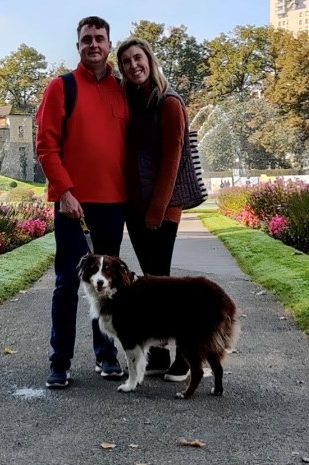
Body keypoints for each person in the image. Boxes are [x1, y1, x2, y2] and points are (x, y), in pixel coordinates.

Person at [36, 15, 129, 389]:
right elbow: (46, 147)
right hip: (74, 205)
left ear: (109, 45)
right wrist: (65, 192)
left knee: (108, 286)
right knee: (66, 284)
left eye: (100, 39)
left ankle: (105, 356)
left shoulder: (123, 90)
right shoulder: (61, 87)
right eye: (87, 39)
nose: (94, 44)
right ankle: (60, 361)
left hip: (114, 204)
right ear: (78, 46)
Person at [116, 36, 192, 382]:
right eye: (127, 62)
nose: (134, 65)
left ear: (149, 59)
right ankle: (160, 353)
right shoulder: (134, 100)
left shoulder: (169, 103)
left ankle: (187, 355)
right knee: (151, 281)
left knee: (163, 284)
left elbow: (172, 160)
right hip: (136, 205)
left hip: (160, 208)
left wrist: (156, 211)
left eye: (138, 58)